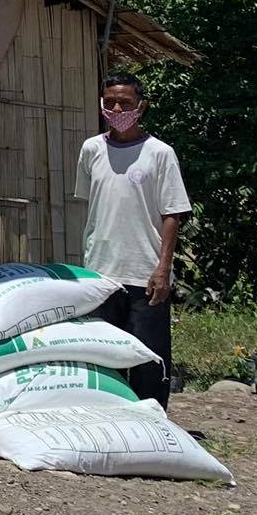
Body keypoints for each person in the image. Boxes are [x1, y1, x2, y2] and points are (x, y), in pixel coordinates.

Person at [75, 72, 189, 406]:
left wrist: (163, 267)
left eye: (124, 102)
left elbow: (173, 213)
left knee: (148, 359)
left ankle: (152, 425)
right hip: (100, 272)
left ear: (141, 106)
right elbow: (92, 206)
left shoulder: (160, 153)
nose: (116, 108)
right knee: (103, 356)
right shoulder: (91, 149)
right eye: (109, 102)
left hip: (144, 272)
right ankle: (111, 419)